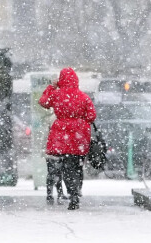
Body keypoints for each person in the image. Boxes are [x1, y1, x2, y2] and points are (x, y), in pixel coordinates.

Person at [39, 68, 96, 211]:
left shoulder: (57, 94)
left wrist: (52, 87)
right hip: (79, 135)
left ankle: (72, 193)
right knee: (76, 166)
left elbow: (43, 102)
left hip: (61, 135)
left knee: (66, 167)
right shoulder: (83, 96)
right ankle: (76, 190)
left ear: (61, 80)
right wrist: (80, 121)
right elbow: (91, 116)